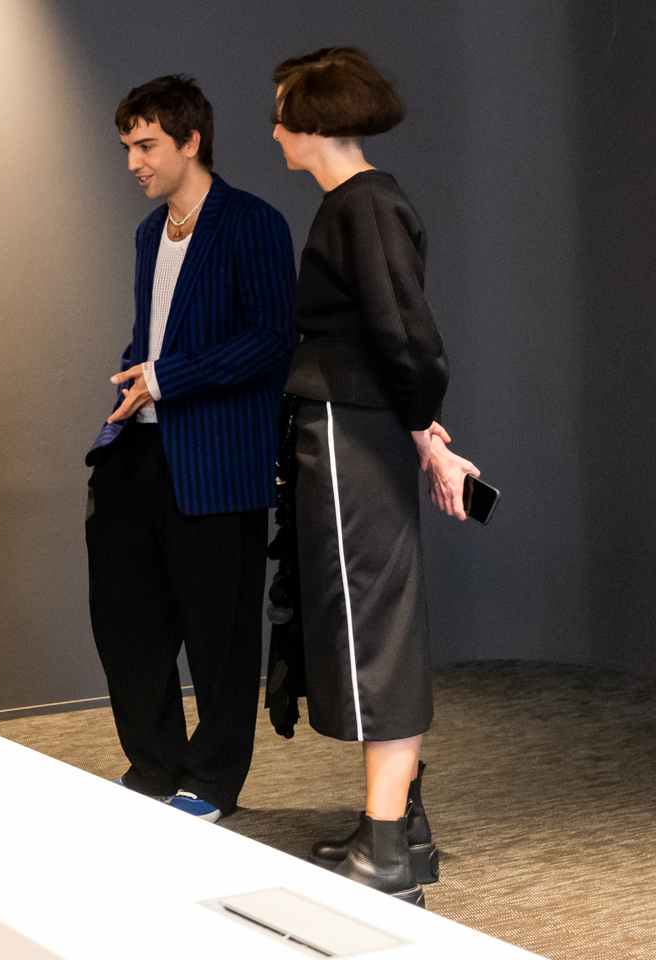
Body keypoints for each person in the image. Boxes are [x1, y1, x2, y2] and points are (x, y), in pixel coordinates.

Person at [271, 47, 480, 906]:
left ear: (316, 122)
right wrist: (422, 430)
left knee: (371, 629)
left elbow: (405, 339)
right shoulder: (356, 205)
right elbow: (393, 340)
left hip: (349, 433)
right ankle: (397, 830)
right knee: (366, 619)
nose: (274, 127)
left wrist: (422, 427)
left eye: (282, 112)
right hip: (353, 426)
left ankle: (389, 852)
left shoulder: (365, 207)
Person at [85, 75, 296, 823]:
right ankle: (154, 765)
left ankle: (210, 782)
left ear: (190, 141)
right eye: (127, 148)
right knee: (128, 622)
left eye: (146, 146)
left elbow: (273, 341)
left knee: (221, 637)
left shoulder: (253, 223)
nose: (134, 162)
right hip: (138, 455)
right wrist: (134, 381)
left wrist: (166, 377)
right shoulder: (149, 233)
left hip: (218, 463)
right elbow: (154, 337)